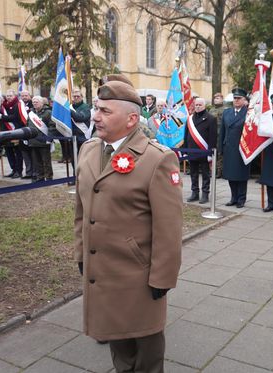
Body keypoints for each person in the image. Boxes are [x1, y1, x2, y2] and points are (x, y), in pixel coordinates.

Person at [74, 75, 182, 373]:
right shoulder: (89, 151)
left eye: (105, 111)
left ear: (132, 119)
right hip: (102, 269)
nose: (95, 116)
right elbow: (82, 210)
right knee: (116, 339)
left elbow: (168, 228)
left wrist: (163, 277)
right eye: (96, 108)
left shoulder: (157, 159)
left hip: (138, 274)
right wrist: (81, 251)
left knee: (145, 345)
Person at [220, 88, 249, 208]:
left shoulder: (248, 113)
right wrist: (220, 147)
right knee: (230, 175)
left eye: (239, 98)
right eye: (235, 98)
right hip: (229, 148)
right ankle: (233, 197)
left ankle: (241, 199)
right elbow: (222, 131)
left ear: (244, 100)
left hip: (242, 148)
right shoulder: (227, 112)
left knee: (241, 175)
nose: (236, 100)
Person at [184, 97, 217, 204]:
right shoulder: (190, 118)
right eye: (196, 105)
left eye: (200, 105)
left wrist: (210, 152)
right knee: (193, 173)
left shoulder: (211, 118)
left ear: (204, 106)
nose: (197, 107)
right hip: (192, 151)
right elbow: (186, 135)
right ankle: (195, 193)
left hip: (204, 151)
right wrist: (185, 149)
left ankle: (205, 194)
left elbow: (213, 137)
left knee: (205, 174)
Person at [0, 90, 26, 178]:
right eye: (7, 96)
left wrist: (2, 117)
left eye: (10, 95)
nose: (9, 97)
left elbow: (15, 117)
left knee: (18, 153)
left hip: (15, 131)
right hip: (5, 132)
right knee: (9, 152)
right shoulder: (4, 106)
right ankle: (13, 169)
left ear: (15, 96)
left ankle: (19, 171)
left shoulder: (18, 104)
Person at [28, 96, 54, 182]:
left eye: (36, 102)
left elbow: (52, 126)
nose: (34, 103)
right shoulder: (31, 114)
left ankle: (49, 177)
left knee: (46, 161)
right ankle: (40, 177)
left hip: (43, 141)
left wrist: (49, 138)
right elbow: (27, 125)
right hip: (33, 141)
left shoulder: (48, 113)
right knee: (36, 161)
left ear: (42, 103)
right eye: (33, 102)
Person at [208, 92, 226, 178]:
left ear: (222, 99)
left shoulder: (225, 109)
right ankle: (213, 170)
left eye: (218, 98)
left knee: (220, 153)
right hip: (212, 134)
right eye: (215, 98)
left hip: (220, 134)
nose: (216, 99)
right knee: (213, 152)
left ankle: (220, 171)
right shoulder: (211, 110)